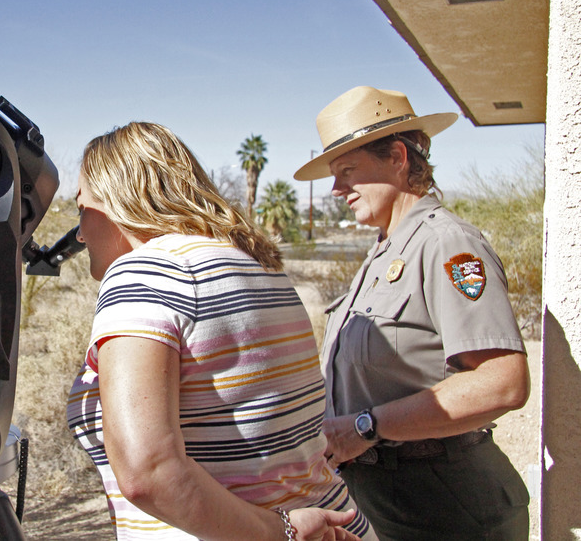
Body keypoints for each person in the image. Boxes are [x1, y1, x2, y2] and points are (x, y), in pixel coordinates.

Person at [66, 121, 376, 541]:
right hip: (339, 519)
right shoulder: (258, 264)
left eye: (83, 208)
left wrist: (280, 531)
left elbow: (147, 472)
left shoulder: (144, 273)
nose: (81, 232)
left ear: (121, 200)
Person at [293, 86, 531, 540]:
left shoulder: (446, 244)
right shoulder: (386, 250)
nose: (337, 188)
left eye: (347, 171)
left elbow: (502, 382)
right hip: (388, 495)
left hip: (443, 500)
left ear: (398, 158)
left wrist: (365, 427)